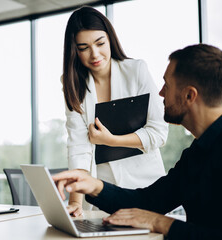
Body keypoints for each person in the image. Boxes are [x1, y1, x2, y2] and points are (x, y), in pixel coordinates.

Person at [54, 43, 222, 239]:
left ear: (189, 95)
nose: (161, 93)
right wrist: (94, 186)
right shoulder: (196, 153)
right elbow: (148, 201)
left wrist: (159, 222)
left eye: (167, 85)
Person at [62, 6, 168, 216]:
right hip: (103, 194)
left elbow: (159, 133)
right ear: (74, 50)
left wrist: (112, 140)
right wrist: (76, 200)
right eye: (83, 47)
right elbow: (78, 145)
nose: (95, 54)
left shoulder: (136, 70)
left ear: (110, 39)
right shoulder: (72, 84)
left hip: (145, 186)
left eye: (100, 43)